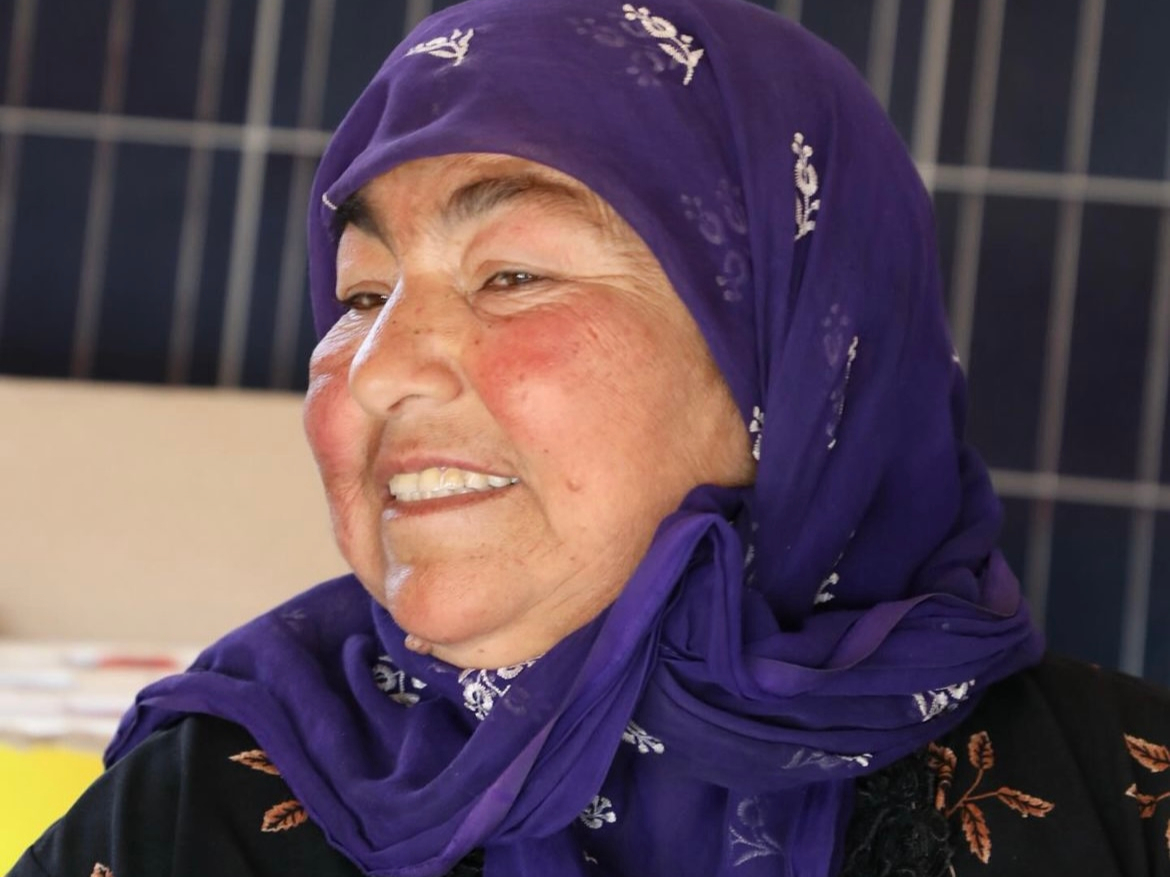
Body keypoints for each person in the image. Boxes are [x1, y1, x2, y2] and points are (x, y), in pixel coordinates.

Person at [11, 0, 1170, 875]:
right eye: (360, 295)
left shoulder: (1118, 801)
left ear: (798, 358)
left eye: (511, 275)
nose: (379, 369)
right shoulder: (210, 804)